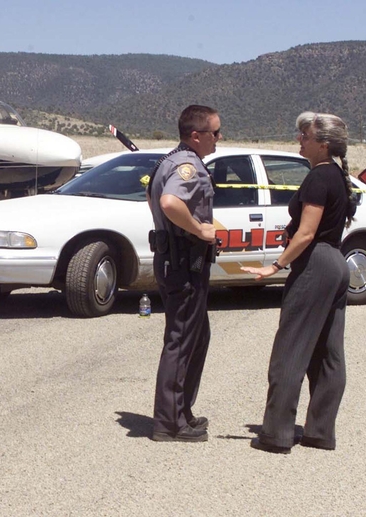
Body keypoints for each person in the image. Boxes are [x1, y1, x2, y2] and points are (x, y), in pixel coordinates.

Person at [241, 111, 356, 454]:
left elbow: (306, 232)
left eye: (304, 136)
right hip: (336, 262)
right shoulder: (335, 174)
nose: (299, 140)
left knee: (290, 350)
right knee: (327, 353)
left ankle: (276, 434)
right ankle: (320, 432)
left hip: (317, 264)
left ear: (323, 144)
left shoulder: (319, 178)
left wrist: (275, 265)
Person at [147, 105, 220, 442]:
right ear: (196, 135)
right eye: (214, 133)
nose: (219, 138)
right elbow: (169, 203)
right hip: (183, 264)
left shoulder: (170, 161)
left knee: (196, 336)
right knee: (181, 340)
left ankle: (181, 411)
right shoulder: (186, 165)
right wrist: (199, 230)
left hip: (177, 260)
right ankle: (169, 423)